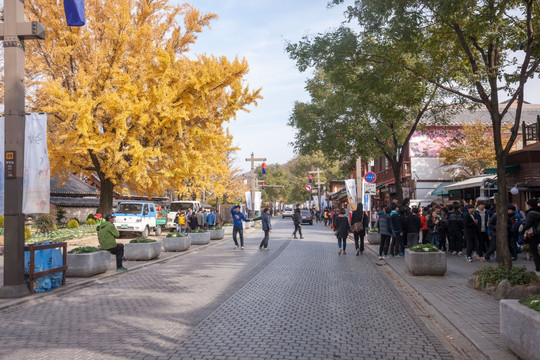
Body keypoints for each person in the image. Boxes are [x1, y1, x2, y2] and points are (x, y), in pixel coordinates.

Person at [522, 198, 540, 275]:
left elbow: (527, 225)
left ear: (529, 205)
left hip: (533, 234)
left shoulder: (531, 213)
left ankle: (538, 269)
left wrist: (523, 226)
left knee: (534, 252)